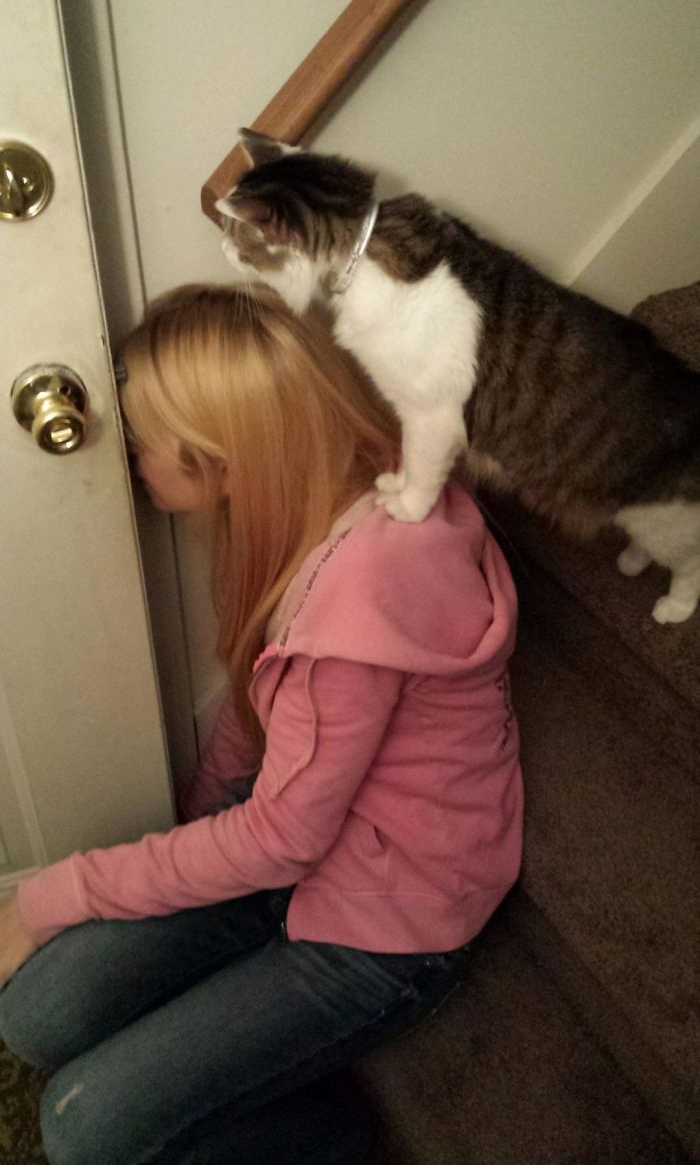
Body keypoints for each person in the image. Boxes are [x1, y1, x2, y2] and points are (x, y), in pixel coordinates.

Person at [0, 285, 522, 1165]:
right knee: (36, 1018)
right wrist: (200, 828)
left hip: (388, 921)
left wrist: (52, 895)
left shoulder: (360, 600)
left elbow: (279, 839)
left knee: (80, 1126)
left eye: (142, 444)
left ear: (221, 460)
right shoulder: (303, 513)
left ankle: (328, 1134)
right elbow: (255, 714)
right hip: (303, 841)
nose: (129, 461)